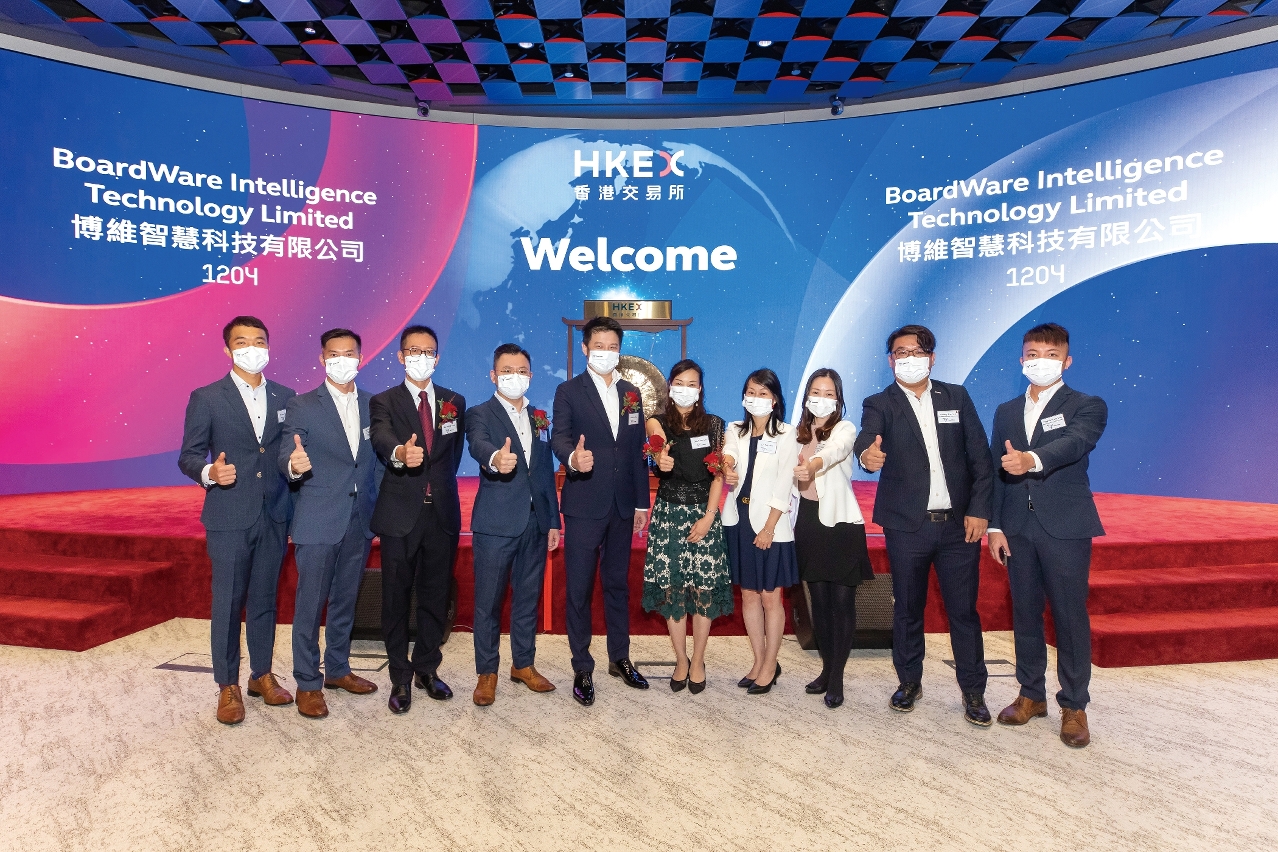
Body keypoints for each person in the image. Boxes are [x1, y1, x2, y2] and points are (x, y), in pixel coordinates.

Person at [853, 324, 994, 726]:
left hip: (958, 527)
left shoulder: (956, 397)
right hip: (906, 526)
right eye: (901, 352)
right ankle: (909, 682)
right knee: (907, 609)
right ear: (890, 360)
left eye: (917, 352)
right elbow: (867, 439)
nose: (909, 359)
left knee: (963, 612)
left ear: (931, 358)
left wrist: (980, 510)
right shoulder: (879, 402)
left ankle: (973, 690)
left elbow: (980, 458)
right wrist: (866, 457)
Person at [988, 323, 1107, 748]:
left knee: (1069, 616)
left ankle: (1074, 705)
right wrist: (995, 526)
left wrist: (1032, 459)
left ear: (1066, 361)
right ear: (1022, 360)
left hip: (1066, 526)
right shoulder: (1005, 410)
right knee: (1025, 612)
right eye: (1033, 354)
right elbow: (995, 471)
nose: (1041, 361)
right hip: (1017, 528)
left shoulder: (1087, 405)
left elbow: (1074, 444)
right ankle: (1031, 694)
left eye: (1051, 354)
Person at [178, 316, 296, 725]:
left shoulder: (286, 396)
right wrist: (209, 473)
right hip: (228, 513)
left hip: (274, 513)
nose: (251, 348)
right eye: (242, 342)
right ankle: (226, 684)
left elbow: (284, 452)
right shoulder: (207, 397)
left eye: (259, 341)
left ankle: (261, 674)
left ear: (269, 346)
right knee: (227, 601)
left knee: (264, 599)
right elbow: (189, 455)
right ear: (227, 350)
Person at [280, 328, 381, 719]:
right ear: (322, 359)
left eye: (349, 353)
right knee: (310, 604)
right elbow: (288, 450)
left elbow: (376, 461)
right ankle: (308, 682)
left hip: (359, 519)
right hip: (318, 517)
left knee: (345, 600)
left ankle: (338, 669)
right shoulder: (302, 405)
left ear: (360, 358)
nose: (342, 360)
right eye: (334, 354)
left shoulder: (374, 404)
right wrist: (293, 463)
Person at [551, 315, 651, 706]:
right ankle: (582, 665)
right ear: (585, 348)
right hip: (584, 503)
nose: (606, 353)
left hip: (623, 505)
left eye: (613, 347)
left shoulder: (631, 392)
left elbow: (636, 449)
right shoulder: (568, 391)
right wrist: (572, 459)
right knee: (578, 588)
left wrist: (641, 502)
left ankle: (619, 658)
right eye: (599, 346)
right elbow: (559, 438)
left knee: (617, 584)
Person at [369, 325, 466, 715]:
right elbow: (380, 437)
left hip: (441, 513)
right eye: (413, 351)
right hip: (400, 514)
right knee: (395, 597)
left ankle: (427, 667)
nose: (421, 357)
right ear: (400, 356)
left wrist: (434, 484)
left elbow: (452, 455)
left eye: (428, 351)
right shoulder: (384, 401)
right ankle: (399, 675)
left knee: (435, 595)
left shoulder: (454, 401)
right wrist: (399, 453)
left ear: (437, 358)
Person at [464, 343, 561, 706]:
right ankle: (486, 673)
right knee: (488, 602)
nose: (514, 377)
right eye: (506, 371)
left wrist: (552, 521)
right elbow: (478, 444)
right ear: (493, 375)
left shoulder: (539, 417)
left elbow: (544, 471)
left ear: (530, 376)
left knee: (527, 598)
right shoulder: (479, 413)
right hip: (496, 523)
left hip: (535, 524)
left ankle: (523, 664)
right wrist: (494, 459)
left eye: (521, 371)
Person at [642, 360, 732, 694]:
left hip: (704, 515)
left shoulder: (714, 424)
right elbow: (656, 444)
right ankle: (681, 659)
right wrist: (659, 459)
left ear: (700, 389)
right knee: (673, 591)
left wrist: (709, 516)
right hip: (668, 515)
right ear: (670, 386)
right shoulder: (657, 420)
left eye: (692, 384)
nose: (685, 389)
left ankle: (698, 661)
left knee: (703, 590)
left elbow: (718, 474)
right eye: (679, 383)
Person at [792, 369, 874, 709]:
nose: (821, 399)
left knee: (842, 604)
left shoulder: (845, 429)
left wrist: (813, 464)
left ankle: (837, 677)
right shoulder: (794, 433)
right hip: (807, 523)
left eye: (829, 393)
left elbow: (835, 452)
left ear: (838, 399)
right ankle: (827, 669)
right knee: (820, 605)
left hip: (840, 524)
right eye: (816, 391)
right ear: (807, 396)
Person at [722, 368, 798, 696]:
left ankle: (770, 664)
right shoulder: (734, 429)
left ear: (775, 399)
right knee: (749, 594)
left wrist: (769, 528)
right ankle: (758, 661)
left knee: (770, 597)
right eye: (751, 392)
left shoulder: (787, 434)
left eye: (763, 393)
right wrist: (726, 466)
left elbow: (785, 483)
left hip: (771, 523)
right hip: (738, 519)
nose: (756, 398)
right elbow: (729, 454)